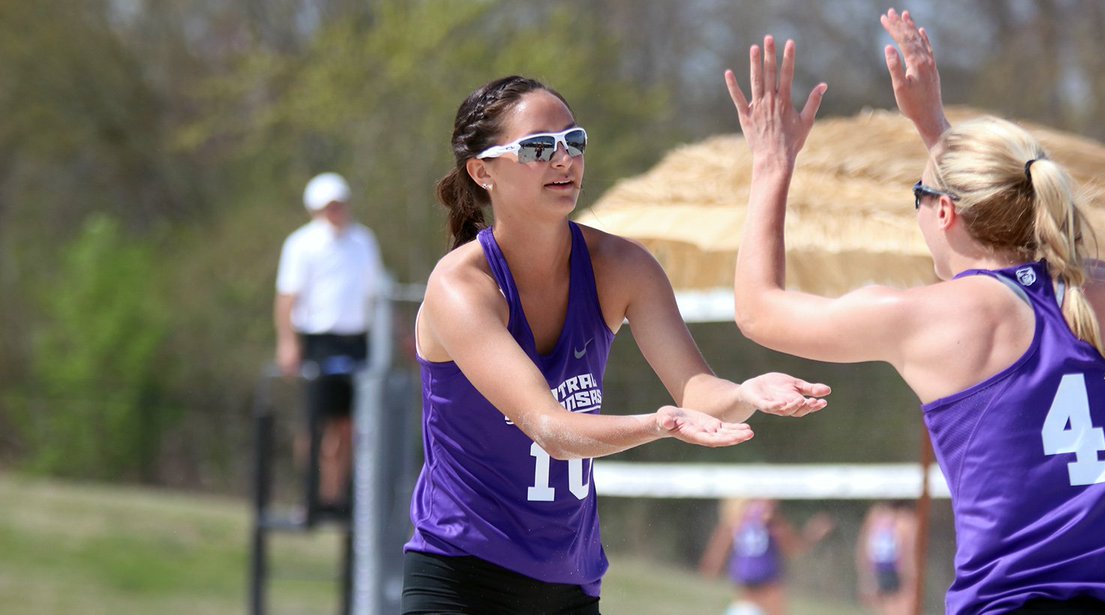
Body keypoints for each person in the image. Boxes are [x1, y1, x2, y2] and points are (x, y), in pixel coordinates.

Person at [723, 8, 1105, 615]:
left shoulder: (930, 318)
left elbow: (759, 311)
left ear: (943, 213)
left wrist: (771, 162)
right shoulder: (1104, 291)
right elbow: (1011, 228)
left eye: (919, 196)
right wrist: (936, 132)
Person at [401, 75, 832, 614]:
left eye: (573, 141)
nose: (563, 160)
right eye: (539, 147)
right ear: (483, 170)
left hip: (570, 583)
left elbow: (699, 393)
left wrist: (746, 392)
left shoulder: (622, 267)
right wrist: (659, 424)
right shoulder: (461, 286)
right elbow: (551, 428)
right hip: (463, 578)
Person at [274, 171, 382, 515]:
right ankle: (310, 493)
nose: (335, 212)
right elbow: (286, 299)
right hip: (319, 342)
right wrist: (287, 342)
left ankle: (337, 497)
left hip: (356, 342)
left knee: (348, 426)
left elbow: (378, 295)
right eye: (328, 207)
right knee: (315, 423)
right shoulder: (300, 244)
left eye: (339, 205)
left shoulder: (364, 241)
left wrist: (399, 336)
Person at [699, 498, 835, 615]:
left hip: (747, 590)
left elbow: (720, 547)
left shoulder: (741, 517)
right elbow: (793, 547)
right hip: (766, 590)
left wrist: (713, 565)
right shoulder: (771, 520)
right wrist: (813, 534)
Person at [855, 501, 917, 615]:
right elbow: (908, 550)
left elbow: (864, 546)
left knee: (886, 607)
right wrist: (911, 576)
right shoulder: (906, 519)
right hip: (894, 570)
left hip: (879, 569)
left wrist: (865, 576)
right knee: (900, 607)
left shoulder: (876, 515)